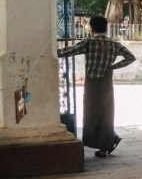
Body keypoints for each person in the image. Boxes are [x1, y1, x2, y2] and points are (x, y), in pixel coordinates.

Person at [58, 15, 136, 158]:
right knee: (106, 114)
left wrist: (52, 50)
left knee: (91, 114)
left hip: (92, 83)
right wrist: (113, 67)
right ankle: (107, 143)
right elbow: (131, 57)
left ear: (91, 28)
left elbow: (66, 52)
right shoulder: (114, 44)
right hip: (106, 83)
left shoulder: (89, 42)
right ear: (106, 28)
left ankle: (106, 141)